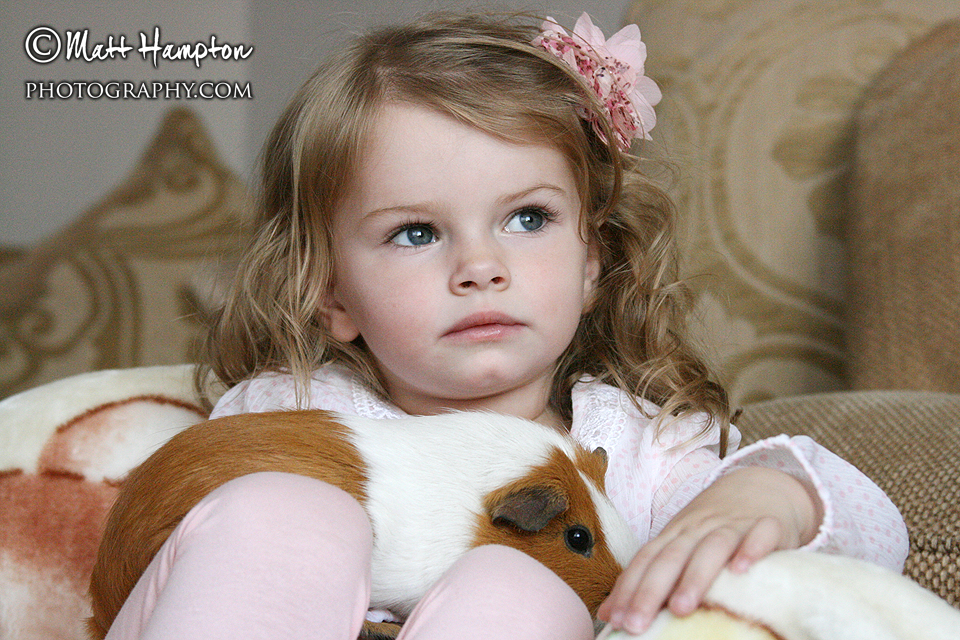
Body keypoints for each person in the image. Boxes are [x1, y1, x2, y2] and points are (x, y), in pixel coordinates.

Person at [105, 11, 908, 640]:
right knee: (286, 514)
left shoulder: (640, 455)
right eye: (416, 233)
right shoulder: (299, 408)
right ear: (330, 295)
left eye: (527, 218)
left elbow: (876, 542)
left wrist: (775, 494)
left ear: (592, 261)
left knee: (521, 583)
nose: (480, 266)